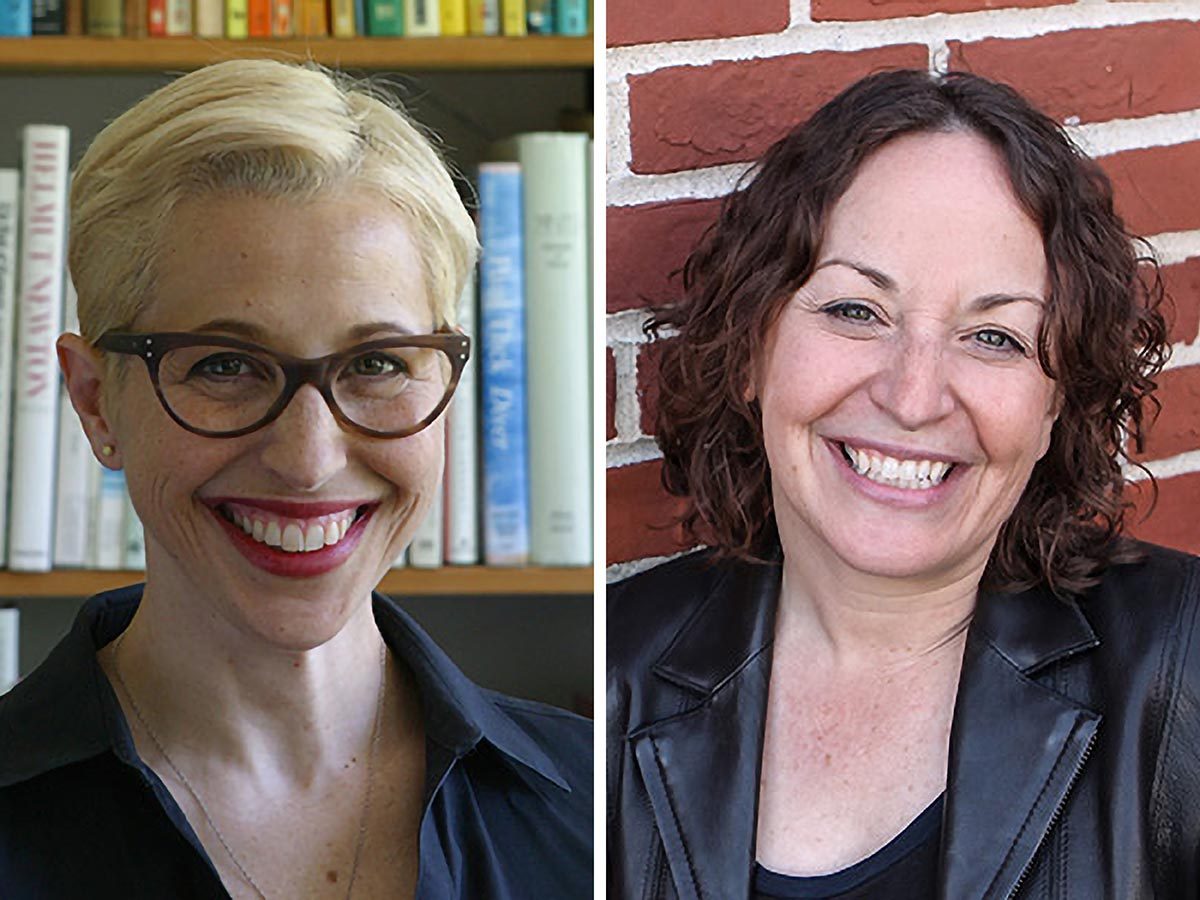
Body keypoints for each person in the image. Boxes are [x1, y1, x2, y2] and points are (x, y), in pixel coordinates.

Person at [0, 59, 591, 899]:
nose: (309, 460)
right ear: (96, 403)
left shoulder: (598, 807)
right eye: (225, 365)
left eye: (378, 363)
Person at [607, 69, 1198, 899]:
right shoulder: (612, 673)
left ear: (1054, 408)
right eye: (856, 311)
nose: (914, 398)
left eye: (994, 337)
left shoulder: (1183, 660)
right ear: (751, 351)